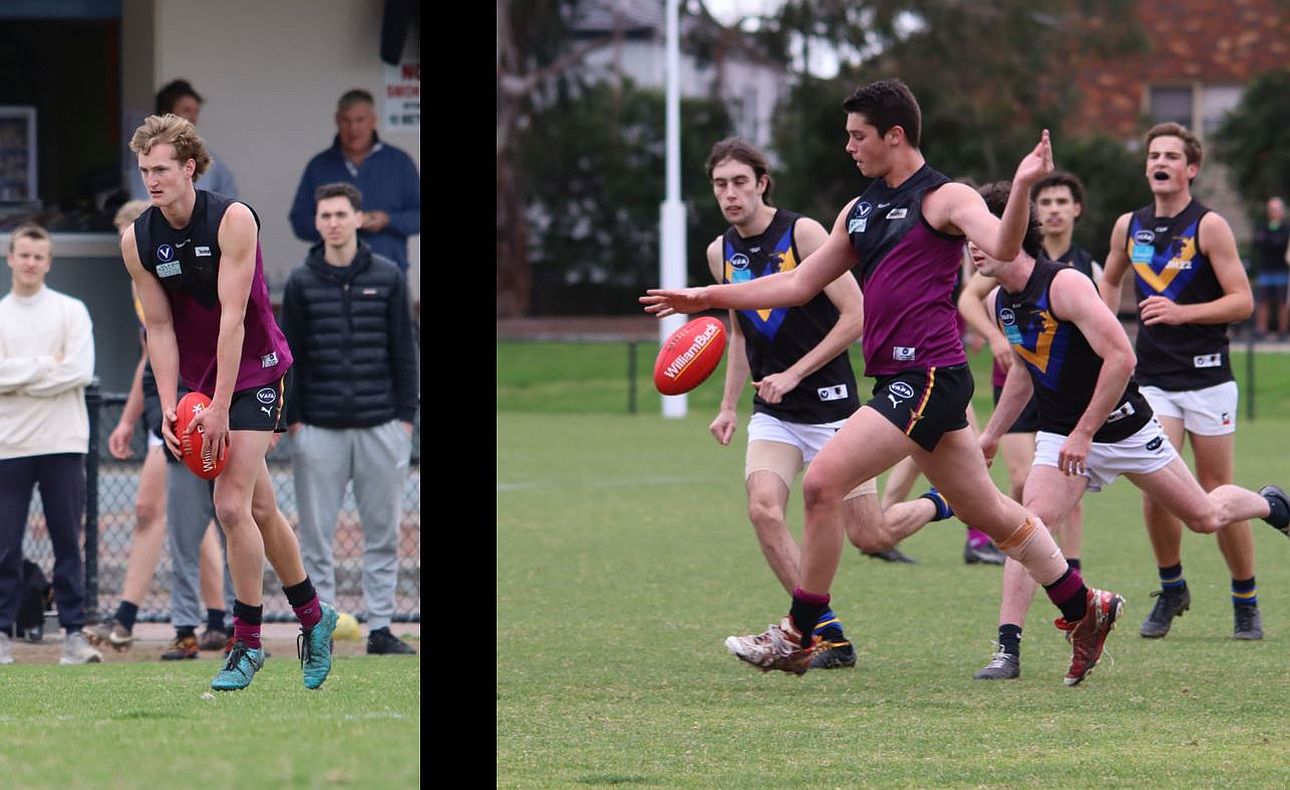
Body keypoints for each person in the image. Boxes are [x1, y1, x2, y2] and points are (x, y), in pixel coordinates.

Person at [643, 79, 1123, 686]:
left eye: (858, 136)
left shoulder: (944, 197)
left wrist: (1024, 185)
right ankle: (1085, 606)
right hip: (904, 380)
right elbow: (797, 285)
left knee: (821, 483)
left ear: (895, 136)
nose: (849, 147)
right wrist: (706, 296)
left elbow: (1001, 241)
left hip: (927, 376)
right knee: (994, 514)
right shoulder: (860, 209)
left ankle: (799, 633)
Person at [970, 180, 1290, 679]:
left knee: (1204, 517)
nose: (968, 245)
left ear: (1010, 232)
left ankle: (1272, 504)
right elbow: (1022, 371)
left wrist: (1085, 432)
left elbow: (1122, 357)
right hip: (1061, 434)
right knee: (1027, 527)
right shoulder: (998, 302)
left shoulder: (1065, 285)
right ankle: (1007, 649)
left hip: (1124, 428)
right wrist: (992, 433)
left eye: (976, 231)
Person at [699, 138, 948, 669]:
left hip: (834, 408)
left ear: (762, 183)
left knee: (870, 534)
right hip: (774, 413)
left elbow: (855, 315)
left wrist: (794, 372)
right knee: (763, 509)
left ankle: (940, 503)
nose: (730, 193)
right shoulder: (721, 251)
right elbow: (741, 335)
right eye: (721, 184)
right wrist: (727, 405)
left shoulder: (804, 232)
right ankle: (821, 634)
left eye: (740, 182)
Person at [121, 113, 337, 690]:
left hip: (256, 370)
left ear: (190, 167)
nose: (152, 180)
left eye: (162, 169)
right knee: (261, 511)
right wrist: (171, 406)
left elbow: (236, 320)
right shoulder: (138, 239)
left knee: (233, 506)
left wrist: (218, 407)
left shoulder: (233, 220)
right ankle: (315, 618)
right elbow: (159, 329)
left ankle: (246, 642)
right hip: (196, 381)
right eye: (145, 170)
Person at [1099, 122, 1264, 641]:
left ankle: (1245, 598)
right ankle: (1172, 588)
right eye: (1153, 155)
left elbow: (1243, 301)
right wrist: (1104, 334)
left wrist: (1182, 312)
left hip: (1208, 376)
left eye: (1171, 155)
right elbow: (1108, 278)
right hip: (1153, 379)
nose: (1160, 162)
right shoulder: (1130, 226)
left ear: (1191, 169)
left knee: (1217, 492)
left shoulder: (1210, 226)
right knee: (1158, 483)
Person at [86, 200, 231, 658]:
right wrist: (132, 417)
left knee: (166, 510)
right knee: (184, 515)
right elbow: (149, 357)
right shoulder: (140, 279)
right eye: (122, 235)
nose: (130, 242)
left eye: (133, 231)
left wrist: (135, 417)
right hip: (166, 399)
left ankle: (144, 617)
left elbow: (160, 352)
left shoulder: (177, 269)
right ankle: (204, 618)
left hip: (185, 399)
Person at [280, 182, 417, 656]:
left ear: (358, 218)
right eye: (325, 216)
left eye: (341, 214)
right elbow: (288, 355)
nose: (333, 223)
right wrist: (294, 420)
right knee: (316, 538)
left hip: (381, 425)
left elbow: (405, 349)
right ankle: (321, 627)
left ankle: (380, 628)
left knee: (383, 533)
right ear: (315, 224)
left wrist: (404, 418)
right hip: (317, 429)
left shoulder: (390, 276)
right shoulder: (300, 281)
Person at [0, 223, 101, 666]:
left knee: (67, 541)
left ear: (49, 261)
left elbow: (78, 371)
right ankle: (2, 634)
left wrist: (18, 377)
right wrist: (46, 366)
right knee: (5, 544)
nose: (30, 263)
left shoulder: (72, 311)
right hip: (9, 445)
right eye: (23, 255)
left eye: (38, 256)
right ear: (10, 258)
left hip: (63, 441)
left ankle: (75, 635)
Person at [289, 89, 420, 273]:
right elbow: (299, 222)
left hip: (388, 275)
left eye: (360, 120)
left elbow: (417, 216)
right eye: (346, 121)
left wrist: (388, 220)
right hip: (330, 276)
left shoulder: (399, 162)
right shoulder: (319, 166)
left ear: (373, 121)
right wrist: (336, 224)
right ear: (337, 120)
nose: (353, 129)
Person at [130, 79, 238, 200]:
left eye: (196, 112)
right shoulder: (145, 152)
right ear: (167, 112)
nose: (192, 118)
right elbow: (142, 204)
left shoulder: (205, 155)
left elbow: (229, 192)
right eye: (186, 110)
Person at [1251, 197, 1289, 339]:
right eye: (1271, 210)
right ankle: (1261, 329)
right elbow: (1258, 242)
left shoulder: (1286, 229)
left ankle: (1282, 331)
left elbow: (1281, 244)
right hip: (1265, 270)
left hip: (1282, 271)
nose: (1274, 213)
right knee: (1263, 301)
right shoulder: (1262, 227)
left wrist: (1272, 242)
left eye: (1276, 210)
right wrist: (1273, 242)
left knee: (1282, 302)